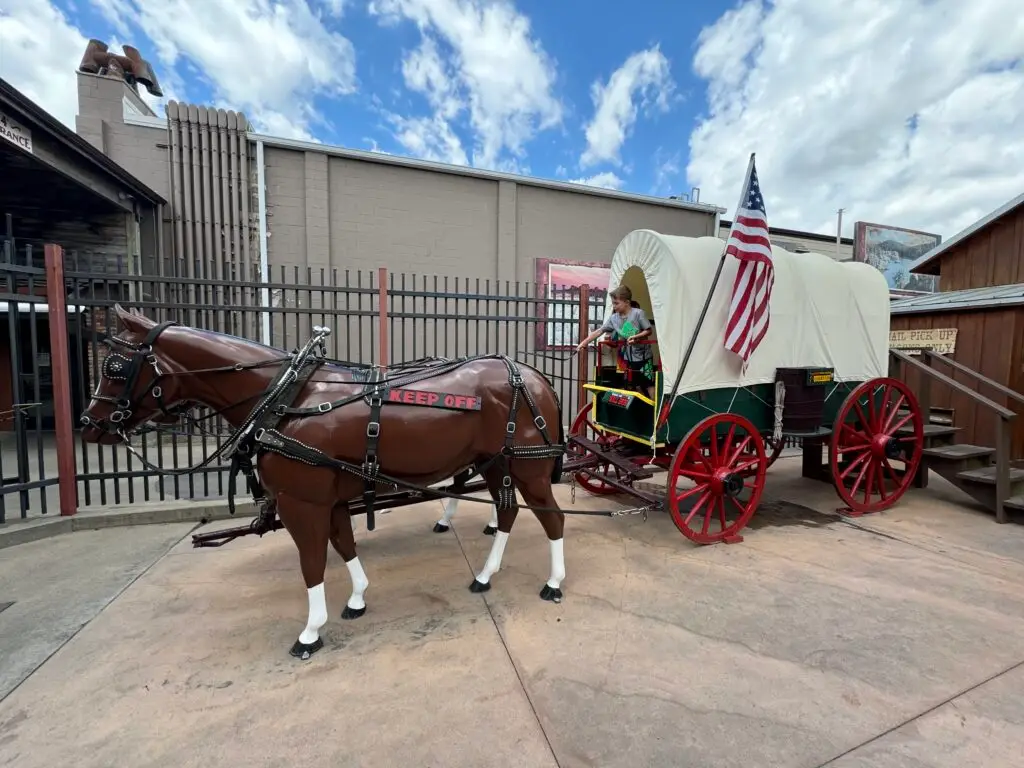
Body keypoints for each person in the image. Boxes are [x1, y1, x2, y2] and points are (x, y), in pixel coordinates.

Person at [576, 285, 654, 399]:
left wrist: (636, 337)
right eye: (613, 303)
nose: (614, 306)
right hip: (627, 358)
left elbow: (648, 331)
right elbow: (599, 331)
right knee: (634, 385)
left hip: (643, 356)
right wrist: (583, 343)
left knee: (648, 384)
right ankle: (642, 411)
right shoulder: (614, 318)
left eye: (616, 303)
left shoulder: (638, 313)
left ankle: (655, 412)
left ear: (627, 302)